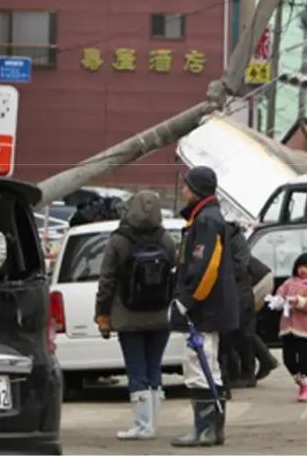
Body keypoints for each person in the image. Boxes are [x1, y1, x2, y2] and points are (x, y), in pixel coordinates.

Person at [94, 190, 176, 441]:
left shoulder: (118, 240)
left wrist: (102, 314)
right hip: (161, 314)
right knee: (154, 368)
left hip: (128, 315)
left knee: (136, 369)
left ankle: (142, 426)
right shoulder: (166, 239)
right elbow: (174, 273)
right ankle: (151, 423)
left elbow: (106, 280)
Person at [171, 166, 239, 448]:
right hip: (210, 307)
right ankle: (211, 429)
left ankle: (205, 429)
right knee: (207, 363)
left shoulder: (207, 221)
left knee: (198, 362)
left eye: (187, 185)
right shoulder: (204, 218)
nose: (183, 190)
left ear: (197, 189)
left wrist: (187, 301)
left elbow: (207, 267)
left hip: (205, 309)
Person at [220, 223, 279, 388]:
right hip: (254, 279)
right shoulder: (228, 236)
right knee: (242, 325)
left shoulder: (226, 238)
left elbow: (239, 270)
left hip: (258, 280)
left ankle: (262, 363)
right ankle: (265, 360)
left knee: (242, 325)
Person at [267, 252, 307, 402]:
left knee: (305, 360)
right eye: (300, 267)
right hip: (288, 328)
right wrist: (278, 300)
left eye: (306, 267)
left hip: (305, 329)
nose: (303, 270)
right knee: (288, 359)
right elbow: (280, 293)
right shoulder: (289, 282)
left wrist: (298, 301)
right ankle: (300, 379)